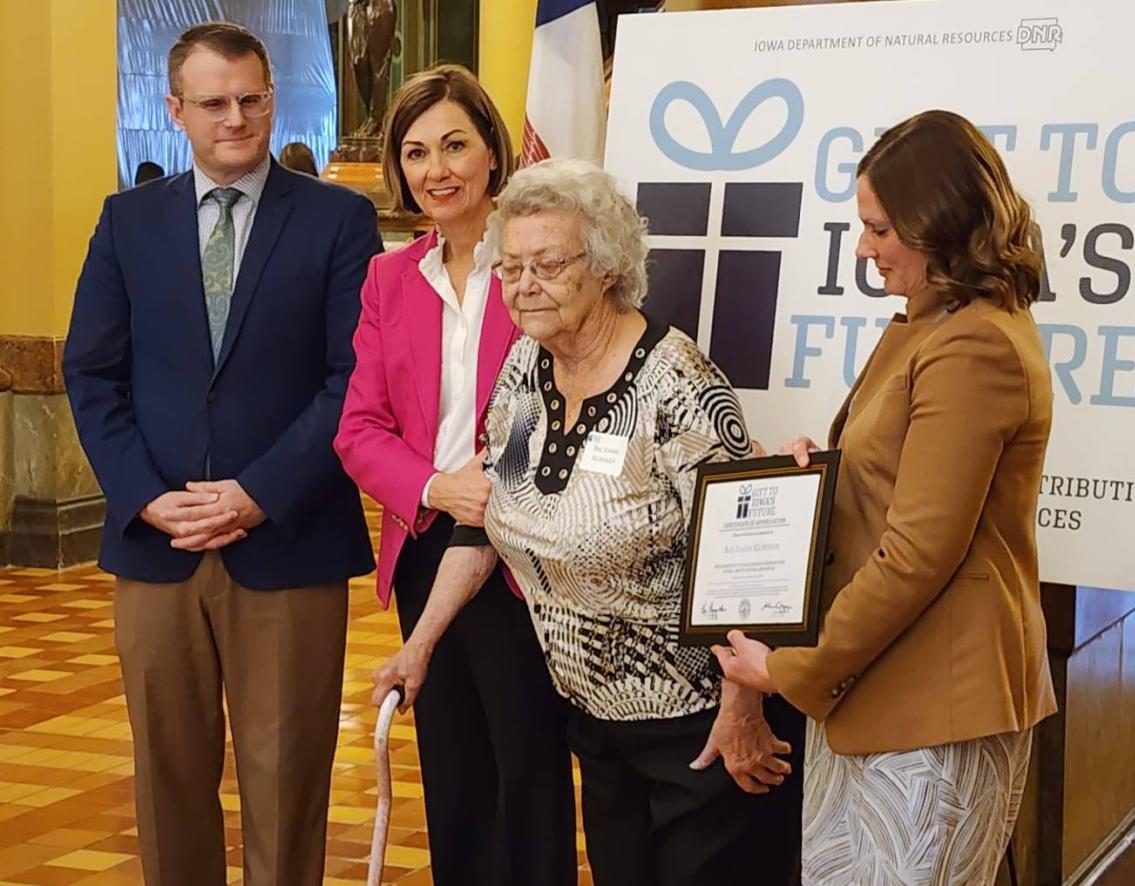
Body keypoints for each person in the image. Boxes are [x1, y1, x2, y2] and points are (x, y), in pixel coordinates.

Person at [372, 158, 805, 886]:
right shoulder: (523, 374)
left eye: (547, 264)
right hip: (597, 724)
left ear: (606, 267)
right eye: (509, 268)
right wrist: (420, 645)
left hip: (700, 728)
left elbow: (748, 561)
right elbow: (488, 517)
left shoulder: (680, 385)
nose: (523, 285)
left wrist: (742, 709)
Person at [62, 22, 380, 886]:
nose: (234, 118)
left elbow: (354, 378)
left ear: (272, 97)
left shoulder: (340, 219)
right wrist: (143, 496)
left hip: (288, 541)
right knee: (166, 785)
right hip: (156, 544)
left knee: (287, 783)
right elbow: (90, 372)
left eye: (250, 99)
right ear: (175, 109)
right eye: (213, 103)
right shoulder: (125, 222)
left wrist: (258, 492)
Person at [715, 109, 1057, 886]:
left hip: (932, 705)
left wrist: (796, 666)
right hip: (879, 694)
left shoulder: (973, 345)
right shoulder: (933, 323)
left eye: (876, 228)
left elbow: (918, 554)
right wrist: (817, 470)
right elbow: (896, 477)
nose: (862, 247)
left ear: (937, 224)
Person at [334, 65, 577, 886]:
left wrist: (490, 482)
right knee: (454, 776)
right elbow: (359, 430)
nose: (436, 169)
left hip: (522, 557)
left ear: (493, 154)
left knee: (529, 774)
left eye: (454, 145)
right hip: (428, 540)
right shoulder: (387, 278)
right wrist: (434, 488)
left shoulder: (539, 266)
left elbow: (568, 391)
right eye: (414, 151)